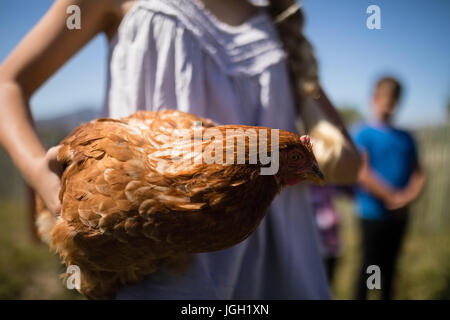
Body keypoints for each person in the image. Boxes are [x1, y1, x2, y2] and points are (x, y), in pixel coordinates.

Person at [0, 0, 360, 299]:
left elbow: (351, 165)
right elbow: (7, 84)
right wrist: (41, 174)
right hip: (149, 232)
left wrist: (318, 151)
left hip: (279, 253)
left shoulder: (277, 26)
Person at [353, 76, 426, 300]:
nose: (389, 104)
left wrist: (407, 197)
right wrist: (391, 197)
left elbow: (418, 173)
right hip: (373, 214)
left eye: (394, 99)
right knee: (371, 265)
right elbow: (362, 173)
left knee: (390, 265)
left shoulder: (406, 137)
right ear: (374, 99)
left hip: (400, 216)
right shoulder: (363, 133)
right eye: (385, 98)